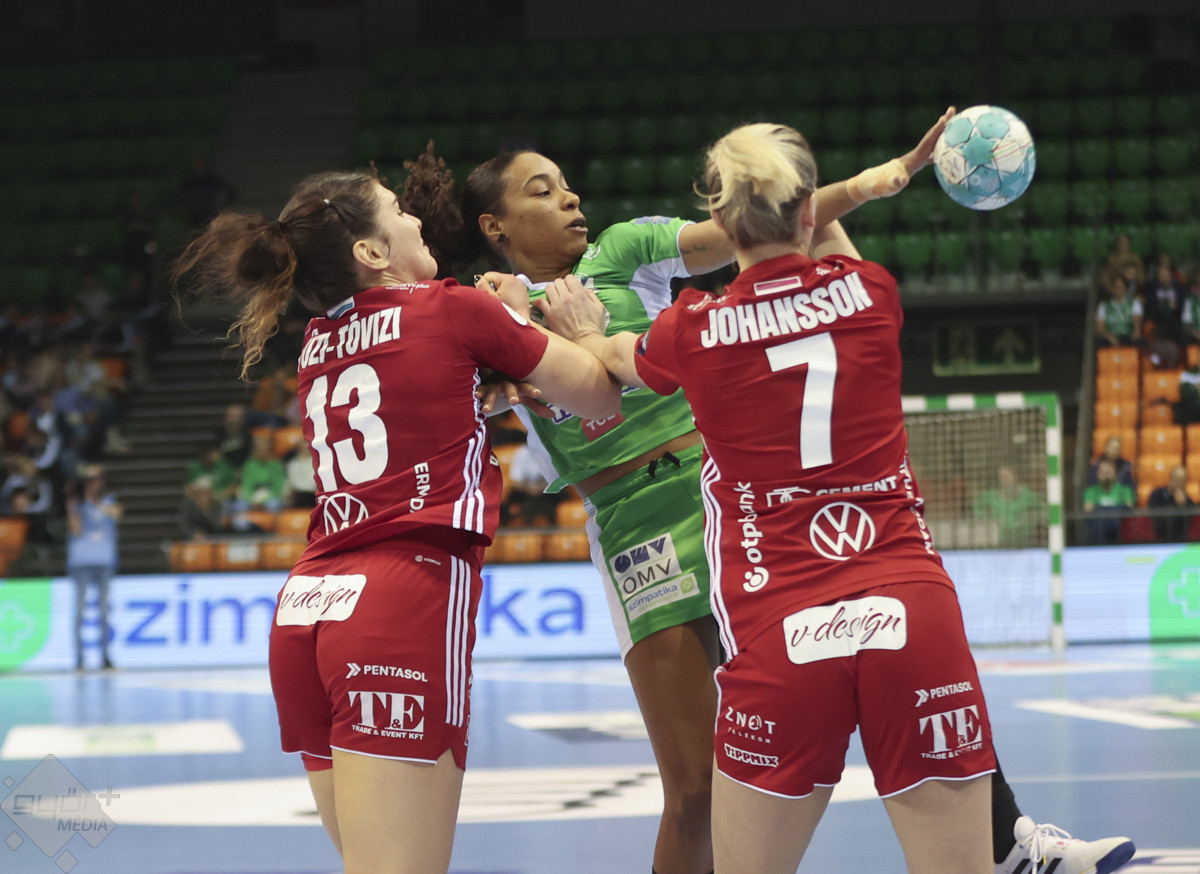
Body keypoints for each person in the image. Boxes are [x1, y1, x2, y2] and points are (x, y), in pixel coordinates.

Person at [405, 122, 1136, 874]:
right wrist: (498, 378)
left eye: (566, 185)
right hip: (635, 530)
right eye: (543, 191)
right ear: (495, 226)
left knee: (908, 674)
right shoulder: (484, 312)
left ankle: (1010, 843)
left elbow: (748, 226)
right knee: (696, 789)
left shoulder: (621, 251)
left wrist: (869, 182)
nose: (570, 198)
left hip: (726, 495)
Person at [541, 120, 1012, 873]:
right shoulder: (871, 291)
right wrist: (872, 184)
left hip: (783, 624)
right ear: (805, 210)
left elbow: (614, 359)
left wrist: (587, 330)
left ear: (720, 220)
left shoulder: (693, 329)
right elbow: (824, 246)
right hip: (909, 608)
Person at [170, 167, 619, 874]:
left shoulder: (317, 341)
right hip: (400, 599)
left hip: (308, 608)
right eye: (397, 212)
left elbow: (414, 391)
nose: (416, 219)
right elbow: (598, 396)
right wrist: (557, 325)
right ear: (372, 252)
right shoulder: (456, 308)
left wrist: (486, 387)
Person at [66, 464, 122, 670]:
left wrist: (95, 503)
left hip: (104, 562)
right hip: (82, 562)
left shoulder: (109, 501)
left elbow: (116, 515)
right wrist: (74, 507)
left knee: (104, 611)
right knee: (80, 611)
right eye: (88, 481)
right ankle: (79, 658)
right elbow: (76, 530)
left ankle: (105, 656)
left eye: (95, 480)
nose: (92, 484)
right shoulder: (77, 506)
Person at [972, 465, 1044, 548]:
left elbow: (1043, 510)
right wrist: (988, 518)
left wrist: (1029, 519)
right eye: (1001, 476)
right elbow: (976, 506)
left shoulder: (1027, 495)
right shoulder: (992, 496)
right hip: (999, 543)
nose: (1004, 479)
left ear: (1015, 477)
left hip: (1025, 542)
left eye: (1007, 476)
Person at [1082, 458, 1136, 545]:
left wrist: (1101, 509)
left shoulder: (1125, 490)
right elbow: (1088, 509)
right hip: (1098, 531)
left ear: (1115, 473)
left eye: (1108, 472)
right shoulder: (1090, 491)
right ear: (1097, 473)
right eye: (1102, 472)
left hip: (1119, 532)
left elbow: (1128, 509)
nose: (1105, 475)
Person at [1094, 271, 1143, 348]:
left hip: (1128, 337)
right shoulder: (1104, 305)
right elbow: (1100, 328)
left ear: (1126, 288)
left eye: (1120, 288)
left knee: (1139, 342)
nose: (1118, 290)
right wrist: (1110, 337)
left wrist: (1136, 333)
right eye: (1115, 287)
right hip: (1110, 337)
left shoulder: (1134, 304)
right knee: (1100, 341)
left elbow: (1137, 326)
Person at [1147, 463, 1194, 542]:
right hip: (1157, 540)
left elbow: (1185, 527)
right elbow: (1155, 521)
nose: (1179, 484)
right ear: (1170, 479)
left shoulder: (1189, 502)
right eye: (1177, 480)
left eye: (1183, 481)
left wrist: (1182, 506)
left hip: (1180, 541)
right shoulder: (1157, 495)